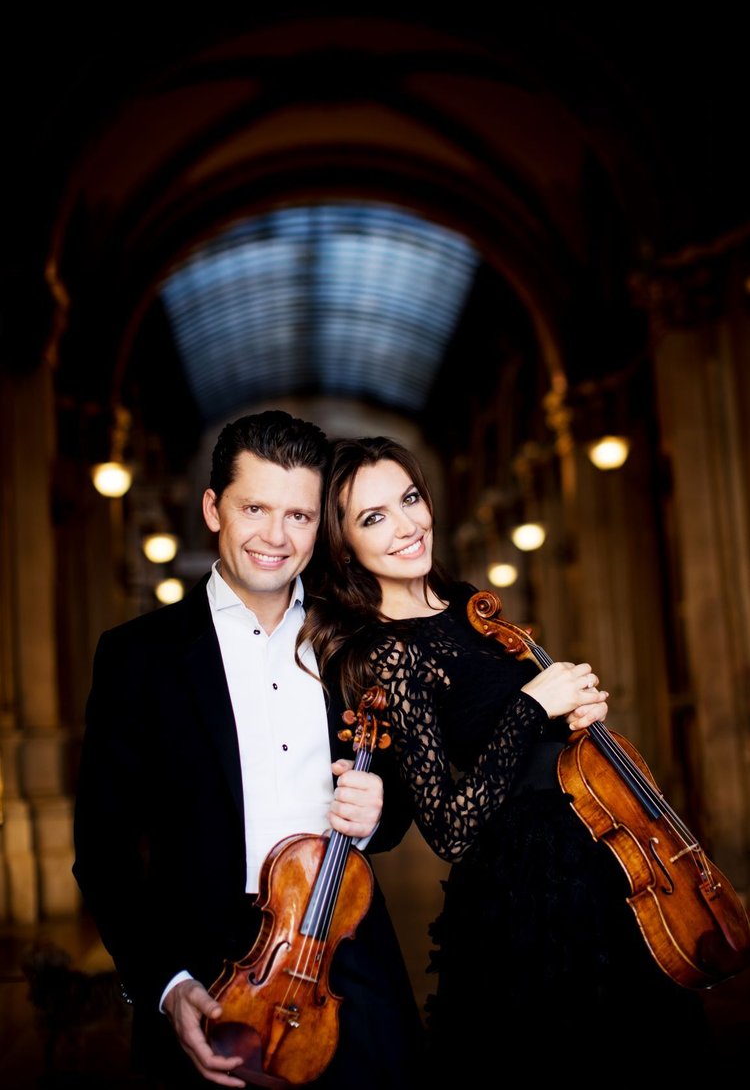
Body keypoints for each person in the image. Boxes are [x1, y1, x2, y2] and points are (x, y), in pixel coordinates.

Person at [298, 435, 718, 1079]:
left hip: (601, 856)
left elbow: (528, 730)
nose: (407, 526)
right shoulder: (387, 652)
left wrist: (572, 710)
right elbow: (450, 828)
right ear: (344, 543)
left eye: (410, 499)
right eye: (374, 517)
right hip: (531, 889)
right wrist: (531, 705)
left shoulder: (468, 604)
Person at [72, 412, 425, 1090]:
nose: (275, 537)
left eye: (299, 516)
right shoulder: (137, 656)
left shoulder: (356, 642)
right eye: (254, 508)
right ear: (214, 509)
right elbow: (102, 849)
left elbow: (399, 796)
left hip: (348, 961)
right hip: (205, 968)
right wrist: (165, 982)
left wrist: (382, 807)